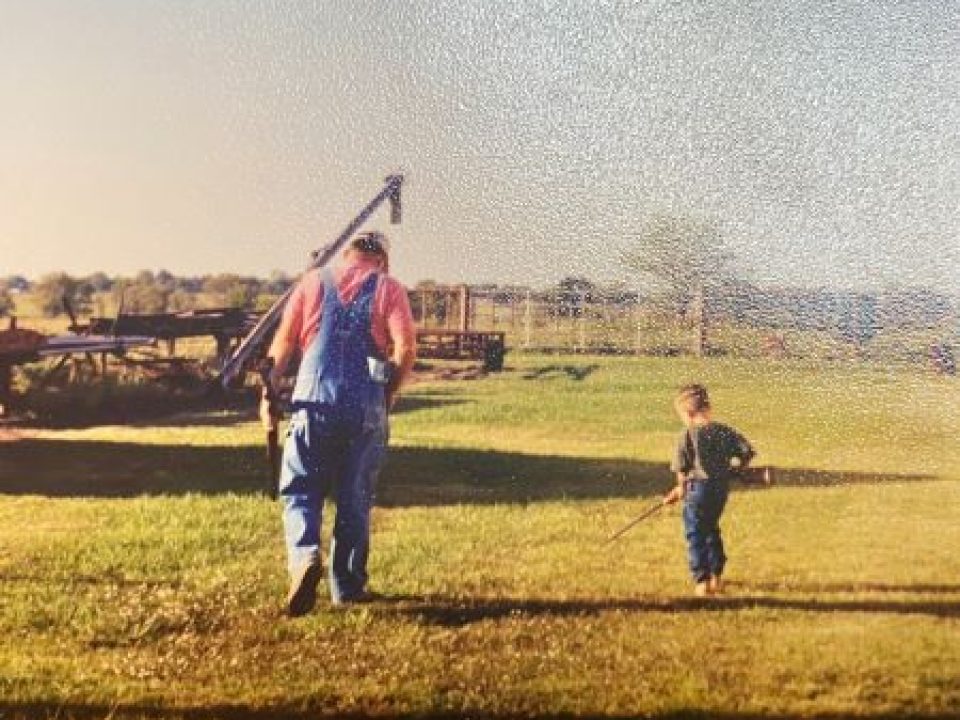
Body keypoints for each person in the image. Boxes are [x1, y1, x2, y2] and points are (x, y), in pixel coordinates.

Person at [260, 231, 416, 615]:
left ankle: (305, 557)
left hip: (312, 401)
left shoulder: (312, 282)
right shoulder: (389, 287)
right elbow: (406, 348)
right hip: (364, 407)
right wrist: (388, 393)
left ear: (347, 254)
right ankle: (346, 587)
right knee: (354, 496)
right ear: (381, 259)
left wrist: (268, 393)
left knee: (301, 489)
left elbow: (284, 343)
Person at [664, 384, 754, 597]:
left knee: (696, 533)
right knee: (711, 528)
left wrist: (678, 491)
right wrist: (737, 469)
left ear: (687, 414)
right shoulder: (723, 431)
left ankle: (701, 580)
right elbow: (747, 451)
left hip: (698, 490)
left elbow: (682, 471)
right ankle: (716, 576)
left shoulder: (687, 435)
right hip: (720, 489)